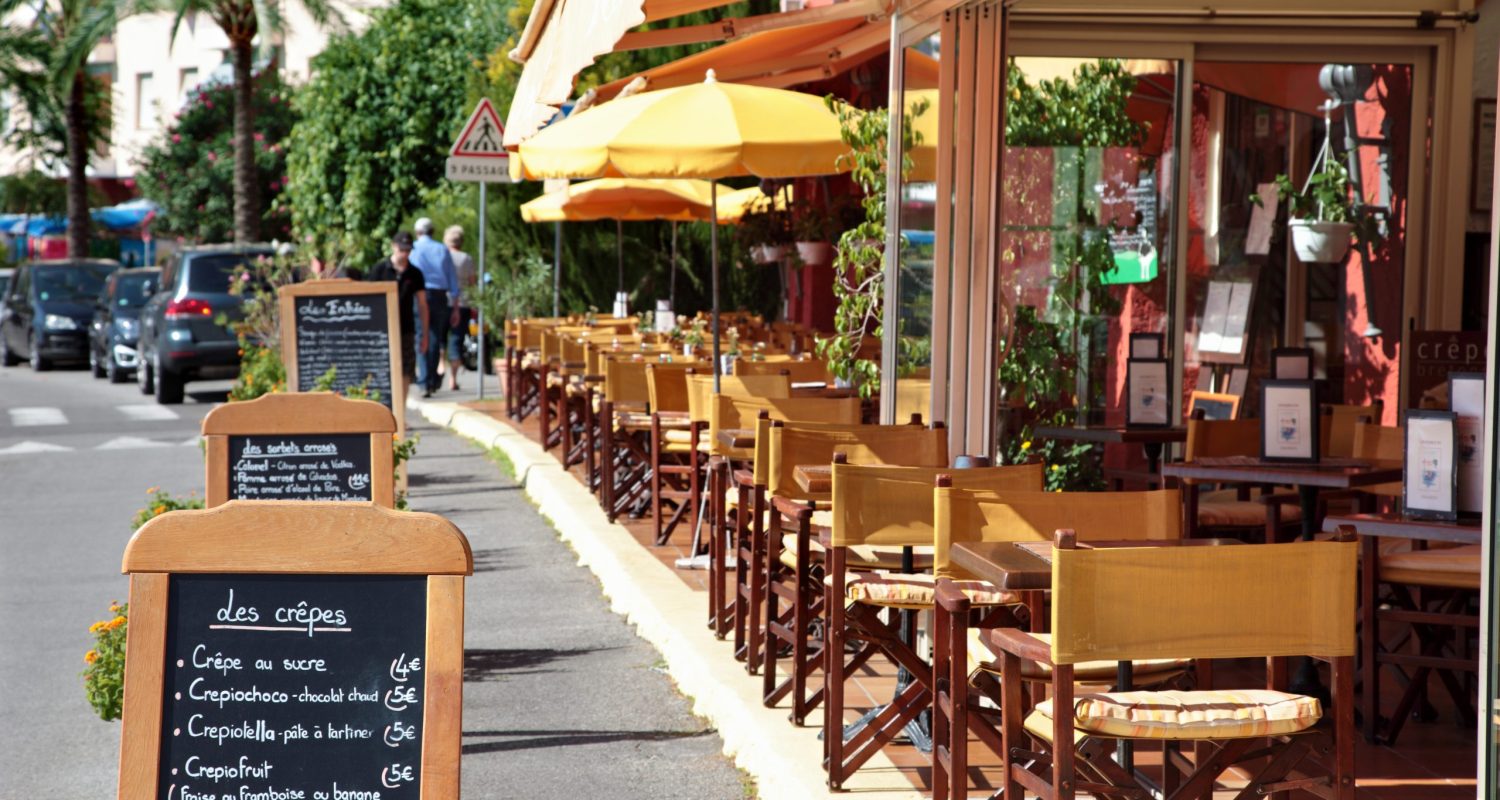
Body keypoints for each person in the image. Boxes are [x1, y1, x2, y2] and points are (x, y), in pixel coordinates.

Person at [367, 232, 429, 403]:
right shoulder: (380, 270)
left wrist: (424, 334)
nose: (405, 253)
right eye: (402, 249)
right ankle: (385, 409)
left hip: (406, 329)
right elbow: (367, 300)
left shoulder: (415, 273)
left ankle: (400, 413)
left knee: (406, 371)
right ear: (393, 246)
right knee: (382, 370)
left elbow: (423, 305)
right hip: (381, 330)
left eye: (408, 250)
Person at [410, 217, 458, 398]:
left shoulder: (414, 249)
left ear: (417, 232)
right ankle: (431, 379)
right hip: (439, 296)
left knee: (422, 336)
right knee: (436, 337)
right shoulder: (441, 249)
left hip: (420, 295)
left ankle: (425, 380)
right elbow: (452, 279)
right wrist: (454, 305)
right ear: (433, 232)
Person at [443, 225, 477, 391]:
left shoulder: (443, 256)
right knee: (456, 340)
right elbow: (472, 283)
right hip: (463, 303)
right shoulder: (466, 258)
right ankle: (453, 379)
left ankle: (440, 365)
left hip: (443, 301)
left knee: (441, 337)